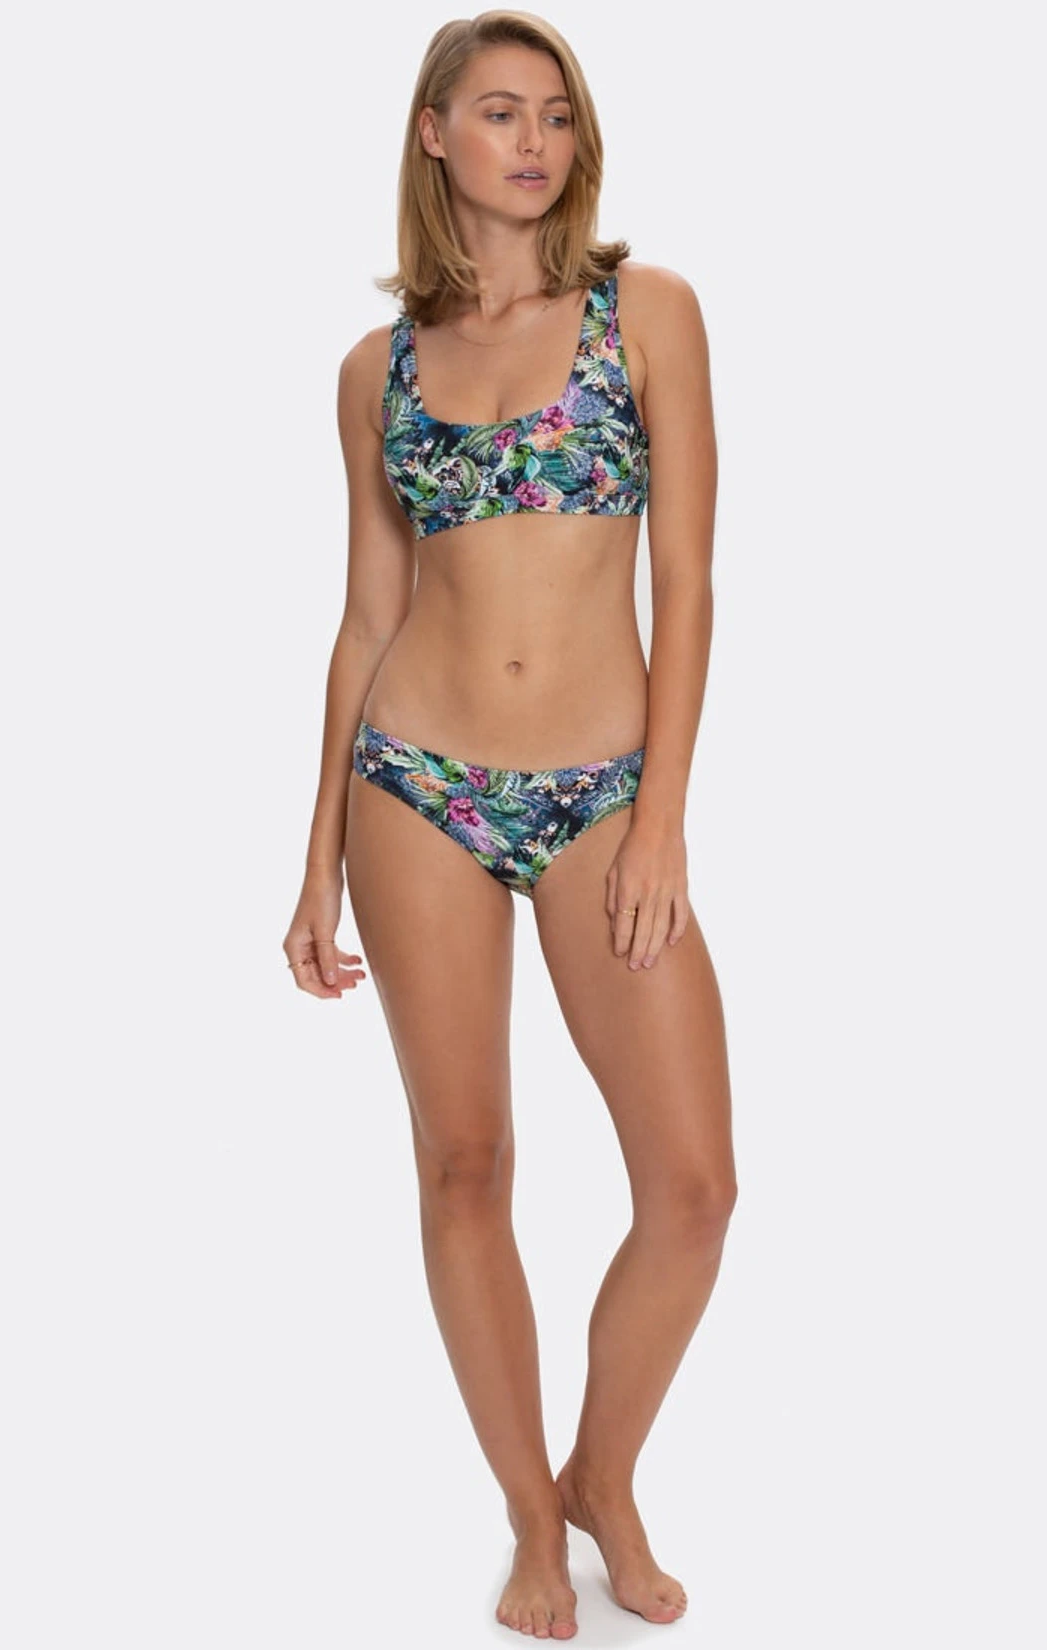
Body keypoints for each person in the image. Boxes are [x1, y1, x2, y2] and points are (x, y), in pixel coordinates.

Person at [283, 10, 735, 1640]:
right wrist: (316, 859)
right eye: (497, 112)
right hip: (416, 784)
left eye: (553, 114)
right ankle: (529, 1518)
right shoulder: (378, 372)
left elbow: (689, 581)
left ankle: (600, 1470)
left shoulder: (645, 315)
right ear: (435, 135)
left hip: (604, 792)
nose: (532, 141)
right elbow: (366, 615)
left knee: (693, 1187)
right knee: (465, 1161)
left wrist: (663, 816)